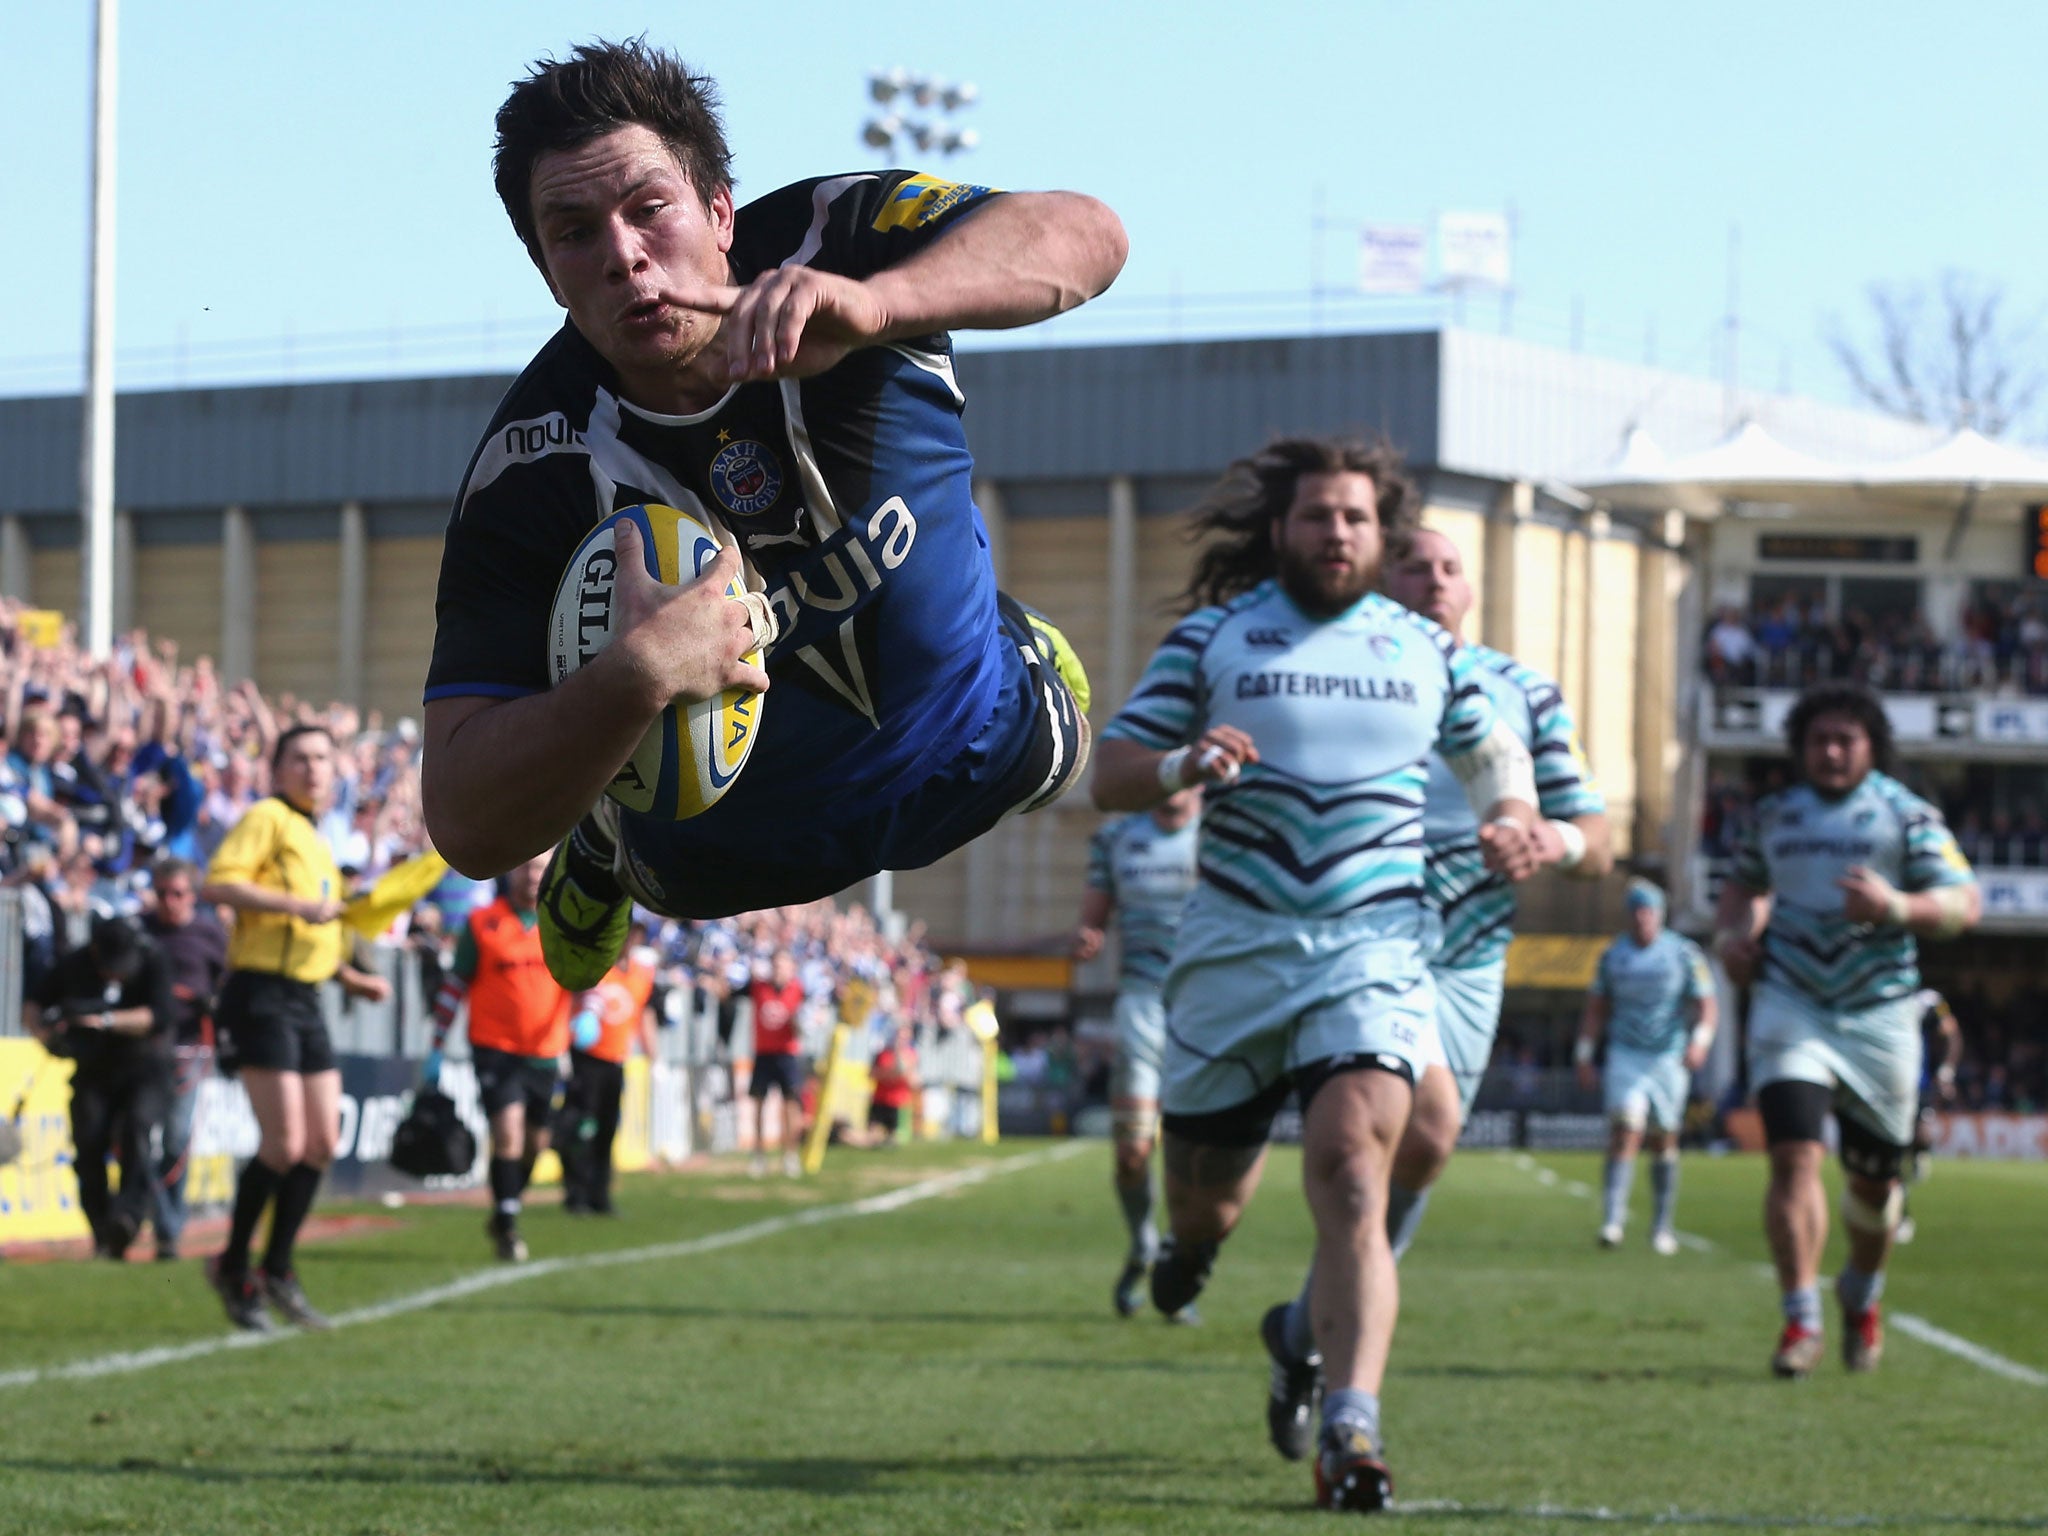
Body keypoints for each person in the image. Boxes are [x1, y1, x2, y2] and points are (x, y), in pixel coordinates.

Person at [419, 39, 1126, 992]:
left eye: (649, 208)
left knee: (1070, 746)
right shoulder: (527, 471)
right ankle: (601, 847)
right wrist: (632, 678)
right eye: (575, 231)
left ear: (720, 212)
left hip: (981, 737)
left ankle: (1007, 635)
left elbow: (1091, 236)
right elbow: (463, 822)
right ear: (549, 270)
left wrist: (884, 304)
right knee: (634, 822)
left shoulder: (837, 238)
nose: (624, 255)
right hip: (721, 858)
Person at [1090, 436, 1543, 1511]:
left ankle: (1350, 1426)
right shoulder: (1212, 639)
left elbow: (1496, 766)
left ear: (1378, 534)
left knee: (1351, 1173)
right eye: (1313, 516)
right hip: (1230, 958)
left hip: (1372, 953)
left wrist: (1516, 818)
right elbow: (1108, 770)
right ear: (1279, 531)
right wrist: (1178, 764)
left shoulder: (1425, 652)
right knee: (1208, 1205)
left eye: (1352, 516)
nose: (1333, 532)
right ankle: (1190, 1256)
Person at [1715, 684, 1980, 1378]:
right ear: (1800, 748)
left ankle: (1861, 1293)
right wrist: (1734, 939)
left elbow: (1965, 904)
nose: (1831, 752)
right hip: (1790, 1002)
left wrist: (1894, 904)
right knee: (1793, 1158)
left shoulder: (1905, 814)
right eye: (1818, 740)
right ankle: (1799, 1318)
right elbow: (1741, 890)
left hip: (1879, 1014)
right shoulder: (1772, 816)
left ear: (1871, 747)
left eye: (1846, 740)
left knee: (1874, 1188)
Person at [1371, 527, 1610, 1255]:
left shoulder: (1526, 691)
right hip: (1368, 933)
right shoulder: (1351, 674)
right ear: (1383, 587)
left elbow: (1595, 840)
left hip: (1473, 948)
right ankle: (1347, 1303)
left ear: (1470, 590)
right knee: (1380, 1123)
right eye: (1414, 568)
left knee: (1433, 1137)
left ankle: (1338, 1293)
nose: (1436, 581)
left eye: (1450, 568)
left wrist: (1550, 840)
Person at [200, 724, 393, 1330]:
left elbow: (312, 933)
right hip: (260, 994)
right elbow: (218, 883)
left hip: (305, 997)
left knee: (322, 1144)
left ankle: (277, 1267)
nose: (312, 769)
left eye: (322, 760)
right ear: (277, 768)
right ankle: (235, 1266)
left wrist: (348, 978)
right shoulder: (268, 817)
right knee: (283, 1144)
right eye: (300, 759)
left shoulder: (316, 838)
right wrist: (295, 907)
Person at [1071, 785, 1201, 1319]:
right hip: (1142, 1007)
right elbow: (1093, 920)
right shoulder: (1117, 838)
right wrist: (1087, 937)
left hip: (1207, 1012)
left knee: (1195, 1161)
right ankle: (1143, 1241)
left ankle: (1180, 1268)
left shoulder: (1223, 832)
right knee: (1132, 1155)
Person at [424, 852, 571, 1261]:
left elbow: (582, 983)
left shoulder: (560, 923)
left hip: (545, 1053)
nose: (531, 876)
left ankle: (507, 1202)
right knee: (507, 1130)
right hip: (495, 1048)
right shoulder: (483, 922)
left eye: (539, 870)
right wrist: (436, 1044)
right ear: (512, 872)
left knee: (535, 1144)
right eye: (525, 868)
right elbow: (456, 984)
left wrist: (585, 1019)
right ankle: (506, 1223)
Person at [1574, 879, 1717, 1254]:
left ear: (1660, 915)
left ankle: (1661, 1225)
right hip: (1625, 1053)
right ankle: (1612, 1221)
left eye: (1649, 910)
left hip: (1668, 1056)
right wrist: (1585, 1054)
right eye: (1636, 910)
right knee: (1625, 1128)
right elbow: (1596, 1009)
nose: (1642, 918)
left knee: (1664, 1139)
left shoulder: (1684, 954)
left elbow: (1707, 1004)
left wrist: (1700, 1042)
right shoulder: (1612, 956)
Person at [25, 914, 176, 1260]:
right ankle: (102, 1230)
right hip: (93, 1069)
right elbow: (33, 1004)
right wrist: (47, 1037)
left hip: (145, 1068)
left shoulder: (153, 959)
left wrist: (104, 1021)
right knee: (89, 1143)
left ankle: (128, 1217)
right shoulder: (75, 964)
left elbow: (160, 1016)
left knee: (137, 1132)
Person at [141, 857, 229, 1261]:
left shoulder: (210, 935)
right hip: (141, 1048)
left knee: (176, 1138)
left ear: (191, 895)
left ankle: (168, 1229)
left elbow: (228, 983)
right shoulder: (141, 931)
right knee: (137, 1137)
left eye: (176, 894)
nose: (168, 902)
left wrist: (213, 1004)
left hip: (189, 1049)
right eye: (161, 894)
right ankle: (142, 1218)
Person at [559, 921, 659, 1215]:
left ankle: (599, 1194)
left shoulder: (642, 975)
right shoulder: (596, 968)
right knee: (582, 1126)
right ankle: (575, 1192)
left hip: (616, 1060)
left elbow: (645, 1014)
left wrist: (655, 1057)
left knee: (607, 1129)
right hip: (587, 1058)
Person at [1895, 986, 1961, 1245]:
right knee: (1893, 1154)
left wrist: (1946, 1071)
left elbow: (1952, 1036)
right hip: (1885, 1087)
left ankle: (1919, 1154)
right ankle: (1901, 1215)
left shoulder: (1926, 1002)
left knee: (1921, 1138)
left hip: (1917, 1087)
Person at [746, 948, 808, 1177]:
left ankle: (790, 1155)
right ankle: (759, 1155)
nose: (778, 970)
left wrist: (798, 1024)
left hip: (787, 1054)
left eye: (783, 965)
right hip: (763, 1053)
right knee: (758, 1105)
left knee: (791, 1105)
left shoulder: (799, 990)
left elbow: (802, 1026)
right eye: (776, 965)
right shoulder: (758, 987)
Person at [864, 1020, 920, 1146]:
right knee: (873, 1137)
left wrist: (898, 1058)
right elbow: (872, 1073)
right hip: (879, 1101)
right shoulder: (882, 1053)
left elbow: (909, 1077)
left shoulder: (911, 1054)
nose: (901, 1038)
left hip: (898, 1104)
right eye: (899, 1034)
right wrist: (888, 1075)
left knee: (895, 1139)